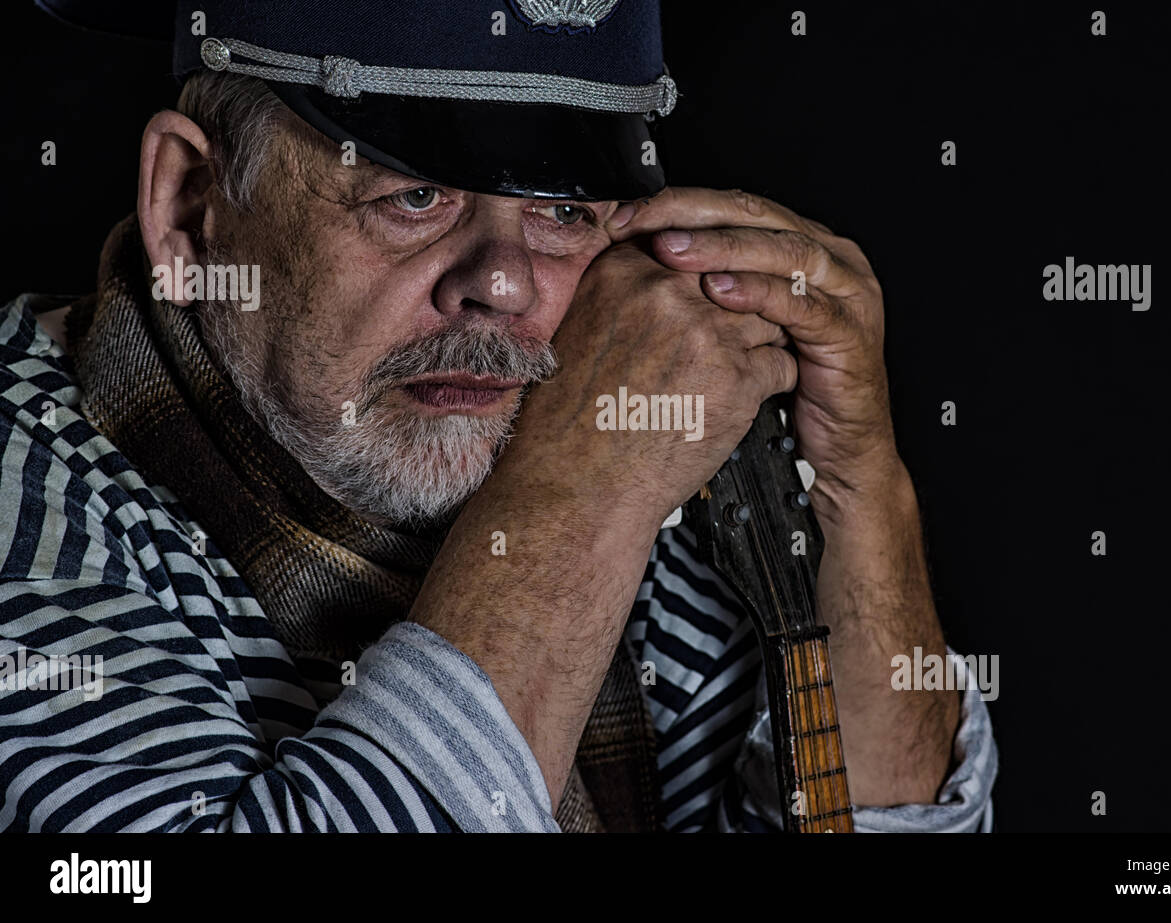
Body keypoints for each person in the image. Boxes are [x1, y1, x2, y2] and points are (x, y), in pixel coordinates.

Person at [0, 0, 996, 831]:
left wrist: (864, 494)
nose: (506, 286)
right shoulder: (31, 518)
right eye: (414, 195)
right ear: (190, 204)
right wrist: (578, 494)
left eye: (564, 210)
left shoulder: (660, 449)